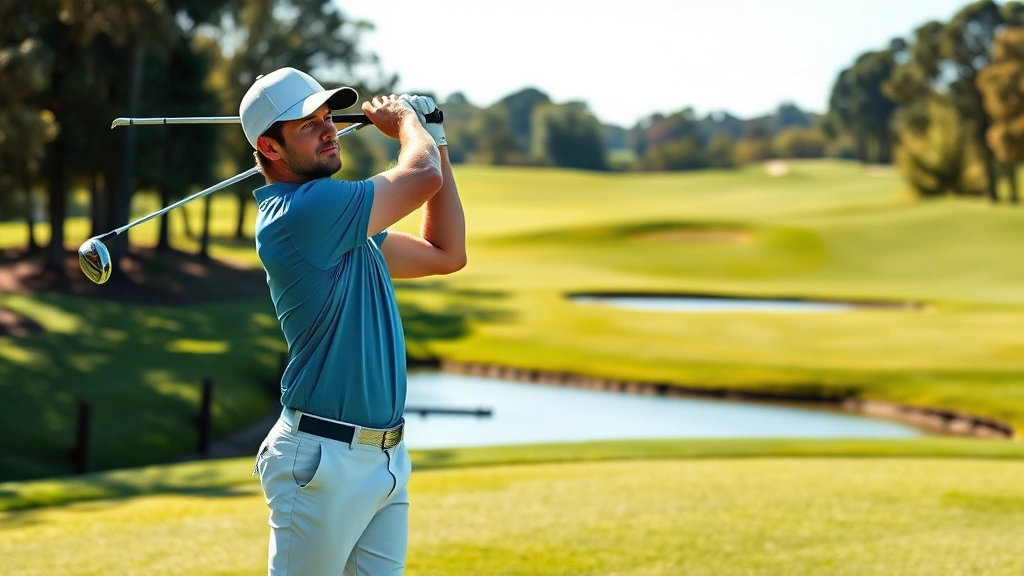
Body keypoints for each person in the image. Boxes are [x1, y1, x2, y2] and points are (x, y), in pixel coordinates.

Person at [242, 67, 465, 575]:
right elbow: (421, 176)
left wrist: (438, 140)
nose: (328, 130)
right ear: (269, 148)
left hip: (384, 458)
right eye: (306, 125)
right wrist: (409, 123)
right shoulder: (304, 212)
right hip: (323, 461)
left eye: (326, 117)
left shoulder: (343, 225)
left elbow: (445, 252)